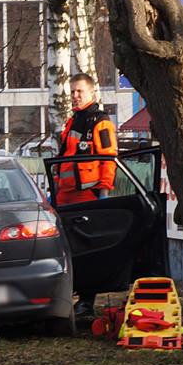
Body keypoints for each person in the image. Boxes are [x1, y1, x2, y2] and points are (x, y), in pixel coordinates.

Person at [55, 73, 118, 317]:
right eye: (72, 91)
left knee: (87, 250)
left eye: (79, 91)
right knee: (68, 251)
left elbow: (109, 159)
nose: (74, 96)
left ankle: (86, 301)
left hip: (87, 197)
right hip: (66, 196)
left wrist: (103, 192)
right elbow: (64, 160)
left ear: (93, 93)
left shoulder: (99, 122)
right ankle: (74, 296)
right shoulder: (73, 121)